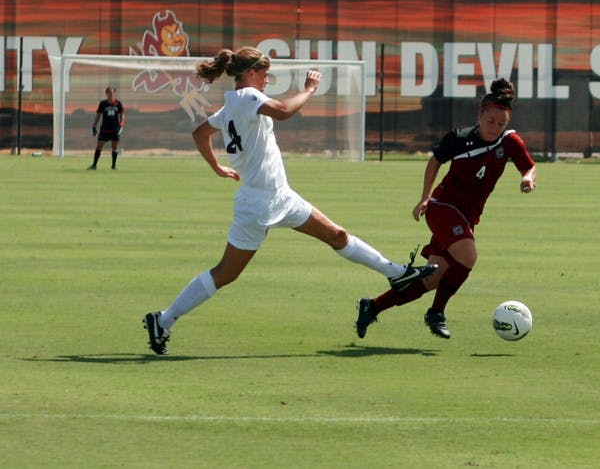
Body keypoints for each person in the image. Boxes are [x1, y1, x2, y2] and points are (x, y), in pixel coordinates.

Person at [143, 45, 437, 355]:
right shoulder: (246, 97)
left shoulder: (231, 105)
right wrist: (310, 89)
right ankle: (163, 320)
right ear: (250, 74)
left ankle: (398, 273)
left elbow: (200, 134)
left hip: (275, 197)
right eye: (265, 74)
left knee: (336, 235)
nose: (267, 80)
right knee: (225, 273)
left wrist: (217, 167)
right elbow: (283, 111)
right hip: (261, 203)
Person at [355, 78, 537, 340]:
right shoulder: (459, 138)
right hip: (443, 206)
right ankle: (436, 313)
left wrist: (528, 178)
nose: (495, 127)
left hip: (467, 216)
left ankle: (372, 306)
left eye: (501, 124)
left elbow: (529, 166)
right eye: (491, 121)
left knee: (432, 279)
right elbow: (434, 162)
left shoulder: (510, 142)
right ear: (480, 114)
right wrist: (425, 197)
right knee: (469, 255)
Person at [88, 86, 125, 170]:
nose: (110, 94)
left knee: (114, 147)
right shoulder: (103, 103)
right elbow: (98, 115)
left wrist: (121, 125)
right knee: (99, 146)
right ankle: (94, 165)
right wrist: (94, 126)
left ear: (114, 93)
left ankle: (114, 165)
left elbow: (122, 116)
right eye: (109, 93)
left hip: (114, 129)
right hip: (105, 129)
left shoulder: (118, 104)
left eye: (112, 93)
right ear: (106, 93)